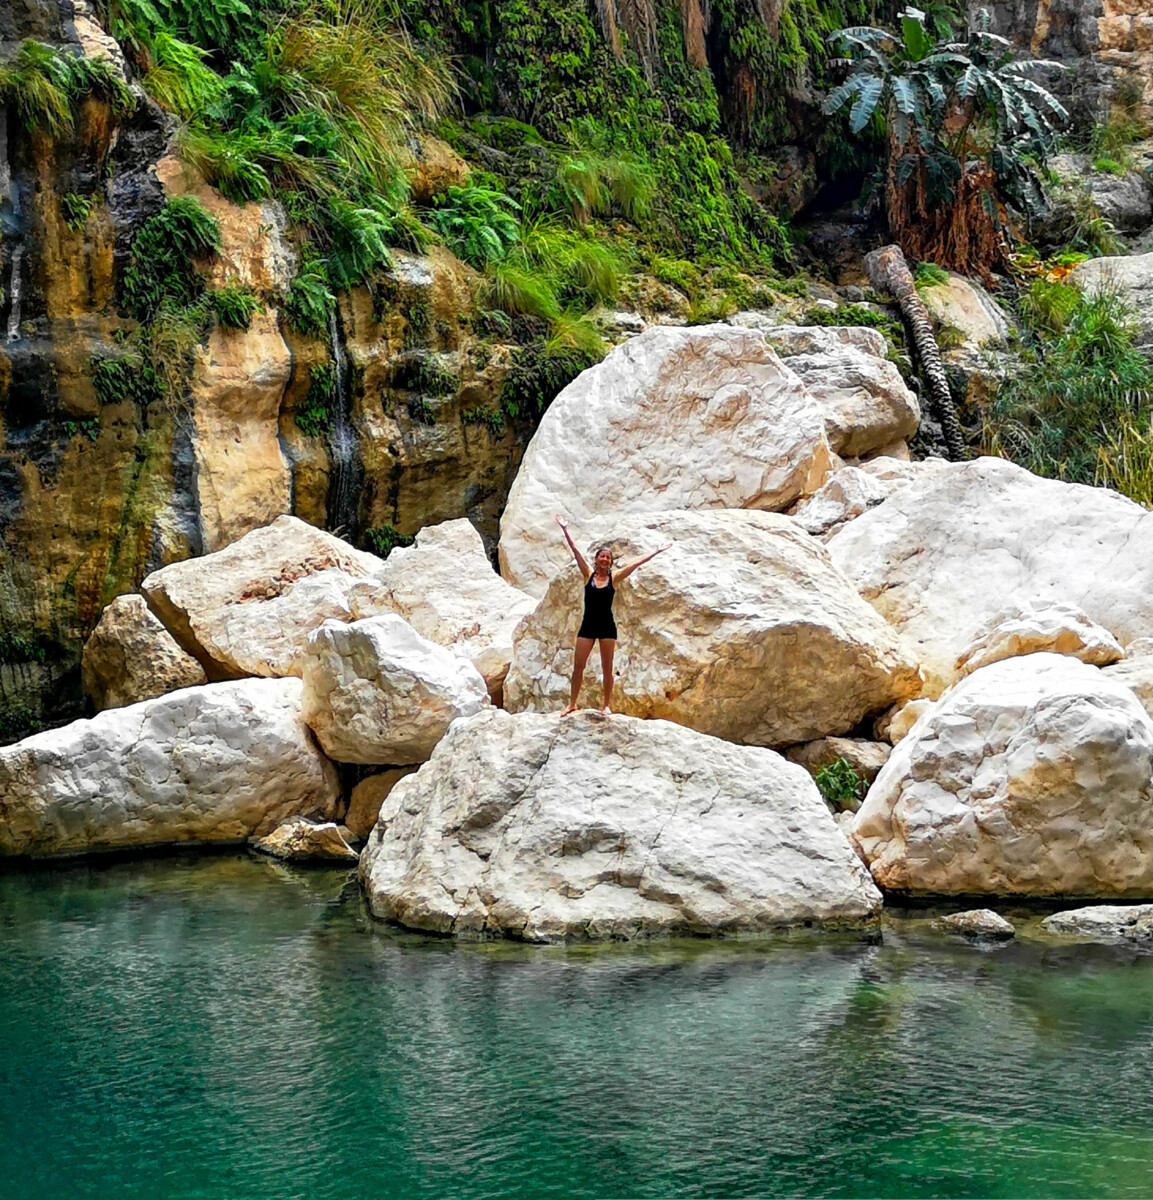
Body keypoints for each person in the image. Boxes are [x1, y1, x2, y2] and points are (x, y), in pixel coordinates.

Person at [555, 515, 672, 716]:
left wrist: (656, 552)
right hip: (588, 626)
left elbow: (634, 565)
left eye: (608, 558)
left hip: (607, 626)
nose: (605, 559)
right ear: (597, 559)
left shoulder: (614, 578)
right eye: (602, 556)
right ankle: (572, 703)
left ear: (610, 562)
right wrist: (565, 530)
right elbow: (576, 552)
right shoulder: (588, 575)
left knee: (607, 669)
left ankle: (606, 705)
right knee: (578, 666)